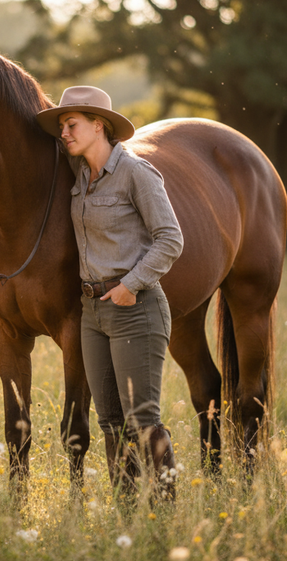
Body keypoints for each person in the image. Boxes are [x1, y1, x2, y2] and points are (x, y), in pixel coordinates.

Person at [36, 85, 184, 504]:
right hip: (91, 313)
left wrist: (129, 285)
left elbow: (170, 239)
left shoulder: (136, 173)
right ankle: (127, 514)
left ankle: (164, 513)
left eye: (71, 125)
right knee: (110, 422)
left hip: (135, 308)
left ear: (99, 126)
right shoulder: (81, 175)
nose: (63, 133)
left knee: (142, 419)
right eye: (61, 125)